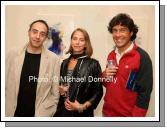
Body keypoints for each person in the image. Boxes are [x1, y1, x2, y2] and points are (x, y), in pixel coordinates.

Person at [5, 20, 60, 117]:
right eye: (34, 32)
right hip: (10, 114)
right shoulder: (12, 54)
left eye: (42, 34)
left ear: (46, 38)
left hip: (38, 116)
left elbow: (55, 94)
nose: (37, 36)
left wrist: (46, 113)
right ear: (29, 32)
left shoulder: (53, 59)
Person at [102, 13, 153, 117]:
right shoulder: (111, 55)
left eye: (123, 30)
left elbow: (144, 93)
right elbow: (108, 84)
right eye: (115, 30)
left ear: (131, 33)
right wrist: (104, 76)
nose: (118, 34)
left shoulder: (142, 56)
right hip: (107, 114)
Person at [54, 28, 103, 117]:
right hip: (62, 112)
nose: (77, 42)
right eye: (75, 39)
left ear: (86, 44)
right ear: (71, 41)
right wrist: (62, 92)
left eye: (81, 40)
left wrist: (81, 106)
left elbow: (98, 92)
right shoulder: (64, 63)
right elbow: (64, 87)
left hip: (82, 114)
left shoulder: (93, 64)